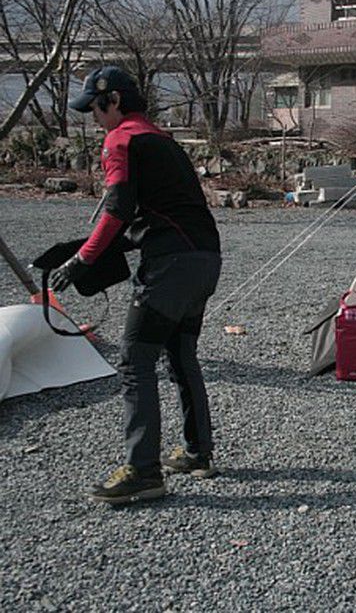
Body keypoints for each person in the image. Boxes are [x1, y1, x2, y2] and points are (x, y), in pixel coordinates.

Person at [54, 66, 222, 504]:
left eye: (95, 108)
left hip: (170, 267)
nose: (94, 118)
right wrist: (90, 251)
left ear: (112, 101)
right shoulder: (163, 140)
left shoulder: (121, 140)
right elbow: (157, 214)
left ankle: (143, 472)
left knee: (134, 361)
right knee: (181, 356)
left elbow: (117, 210)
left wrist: (82, 260)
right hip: (205, 259)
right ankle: (197, 453)